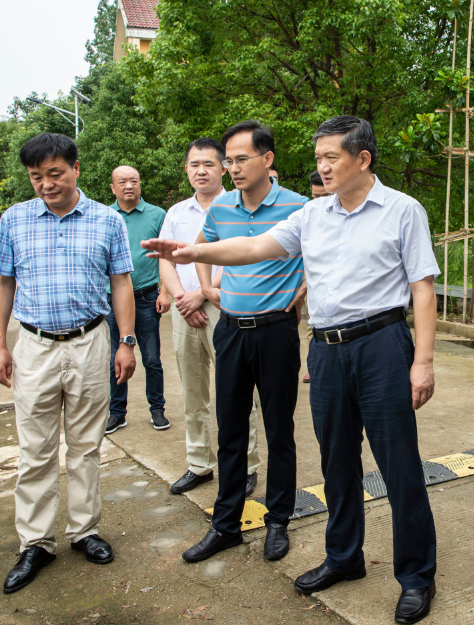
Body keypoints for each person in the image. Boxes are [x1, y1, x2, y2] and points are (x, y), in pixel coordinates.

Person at [144, 115, 440, 625]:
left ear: (362, 159)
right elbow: (255, 247)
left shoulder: (401, 210)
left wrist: (423, 361)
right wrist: (194, 251)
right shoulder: (313, 215)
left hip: (382, 346)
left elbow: (422, 287)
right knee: (336, 462)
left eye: (331, 157)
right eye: (319, 156)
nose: (321, 166)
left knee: (399, 465)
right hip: (326, 349)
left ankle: (415, 575)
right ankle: (344, 557)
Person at [0, 133, 137, 594]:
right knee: (35, 448)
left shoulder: (107, 220)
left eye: (55, 174)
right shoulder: (14, 220)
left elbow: (121, 284)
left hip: (90, 342)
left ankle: (84, 531)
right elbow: (1, 283)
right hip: (33, 346)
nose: (46, 185)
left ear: (75, 168)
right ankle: (35, 542)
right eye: (37, 177)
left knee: (85, 445)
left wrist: (126, 341)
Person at [161, 120, 306, 566]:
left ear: (268, 159)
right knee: (231, 430)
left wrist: (299, 294)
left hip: (276, 332)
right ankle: (225, 525)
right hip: (231, 330)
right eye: (229, 160)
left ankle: (278, 520)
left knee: (279, 430)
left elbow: (319, 259)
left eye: (242, 159)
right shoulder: (221, 208)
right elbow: (204, 246)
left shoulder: (299, 207)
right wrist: (207, 289)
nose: (233, 168)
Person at [158, 138, 261, 496]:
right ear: (186, 170)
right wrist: (180, 298)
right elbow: (165, 260)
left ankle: (247, 465)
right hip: (183, 312)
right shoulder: (175, 213)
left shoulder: (237, 208)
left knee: (236, 391)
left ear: (223, 168)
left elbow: (241, 256)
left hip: (225, 307)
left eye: (208, 164)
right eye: (193, 165)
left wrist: (201, 293)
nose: (200, 171)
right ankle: (199, 463)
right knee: (192, 392)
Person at [104, 165, 171, 434]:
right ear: (113, 187)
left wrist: (164, 291)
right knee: (114, 359)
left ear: (140, 184)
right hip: (111, 301)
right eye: (122, 181)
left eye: (134, 180)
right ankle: (117, 412)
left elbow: (166, 255)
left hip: (145, 297)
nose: (128, 185)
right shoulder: (105, 215)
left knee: (152, 358)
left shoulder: (157, 214)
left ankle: (157, 409)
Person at [301, 170, 332, 383]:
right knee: (314, 325)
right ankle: (314, 366)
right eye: (316, 196)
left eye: (325, 196)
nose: (320, 201)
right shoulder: (307, 214)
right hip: (313, 284)